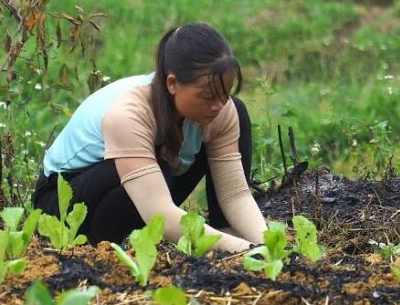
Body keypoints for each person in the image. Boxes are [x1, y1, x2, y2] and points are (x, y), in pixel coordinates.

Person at [33, 23, 267, 253]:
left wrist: (263, 245)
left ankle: (225, 237)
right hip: (63, 203)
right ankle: (100, 250)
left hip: (146, 190)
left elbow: (235, 195)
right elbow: (160, 214)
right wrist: (245, 250)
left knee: (236, 111)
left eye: (224, 93)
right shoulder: (128, 114)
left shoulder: (220, 108)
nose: (218, 105)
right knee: (160, 160)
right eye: (207, 96)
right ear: (172, 84)